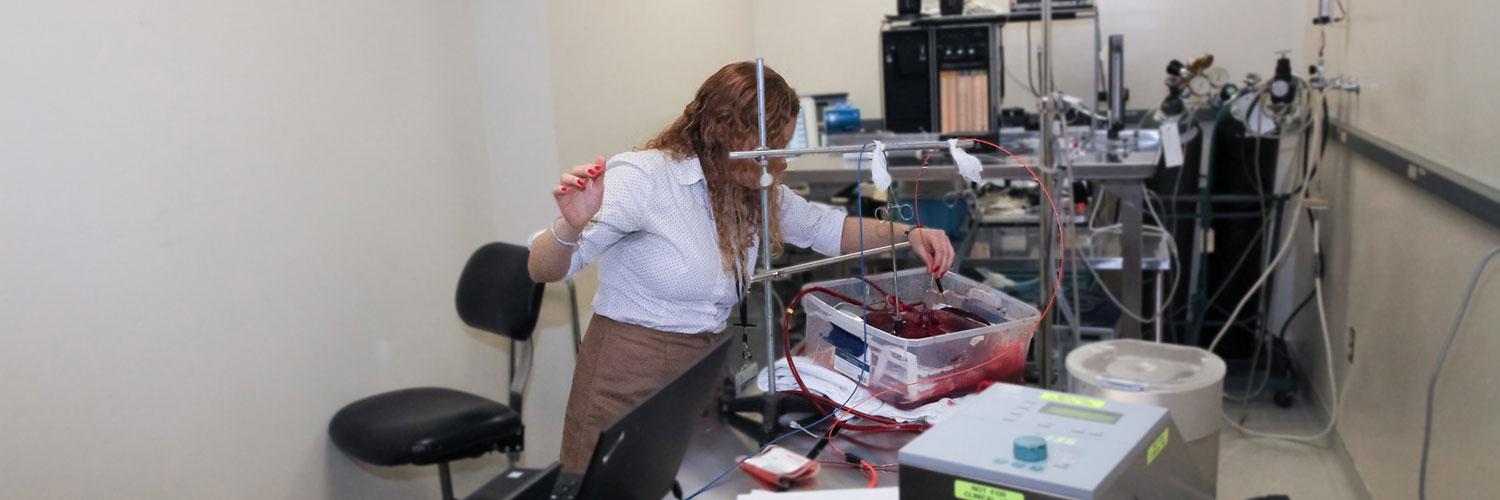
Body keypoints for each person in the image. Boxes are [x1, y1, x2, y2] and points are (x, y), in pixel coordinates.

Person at [527, 61, 955, 474]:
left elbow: (829, 228)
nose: (781, 162)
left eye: (784, 147)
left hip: (700, 374)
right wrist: (570, 224)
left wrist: (908, 234)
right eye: (771, 149)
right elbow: (541, 268)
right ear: (727, 134)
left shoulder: (749, 188)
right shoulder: (644, 179)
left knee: (694, 481)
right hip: (627, 373)